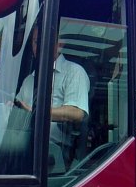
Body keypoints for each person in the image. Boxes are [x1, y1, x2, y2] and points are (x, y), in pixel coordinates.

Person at [15, 30, 89, 162]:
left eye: (42, 41)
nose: (38, 47)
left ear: (59, 44)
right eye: (36, 42)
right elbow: (18, 108)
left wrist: (37, 113)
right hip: (21, 146)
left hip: (54, 153)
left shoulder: (74, 72)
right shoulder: (29, 80)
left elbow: (77, 113)